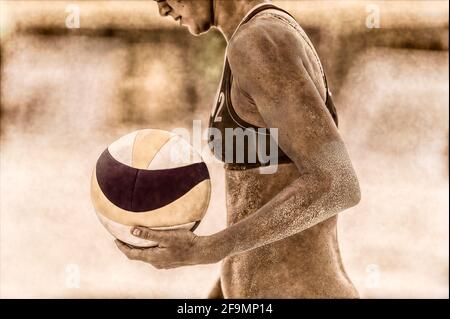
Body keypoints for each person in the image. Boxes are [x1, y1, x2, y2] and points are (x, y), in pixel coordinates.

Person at [115, 0, 361, 298]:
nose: (162, 10)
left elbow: (336, 182)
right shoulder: (252, 37)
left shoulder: (258, 42)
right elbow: (258, 201)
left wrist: (205, 249)